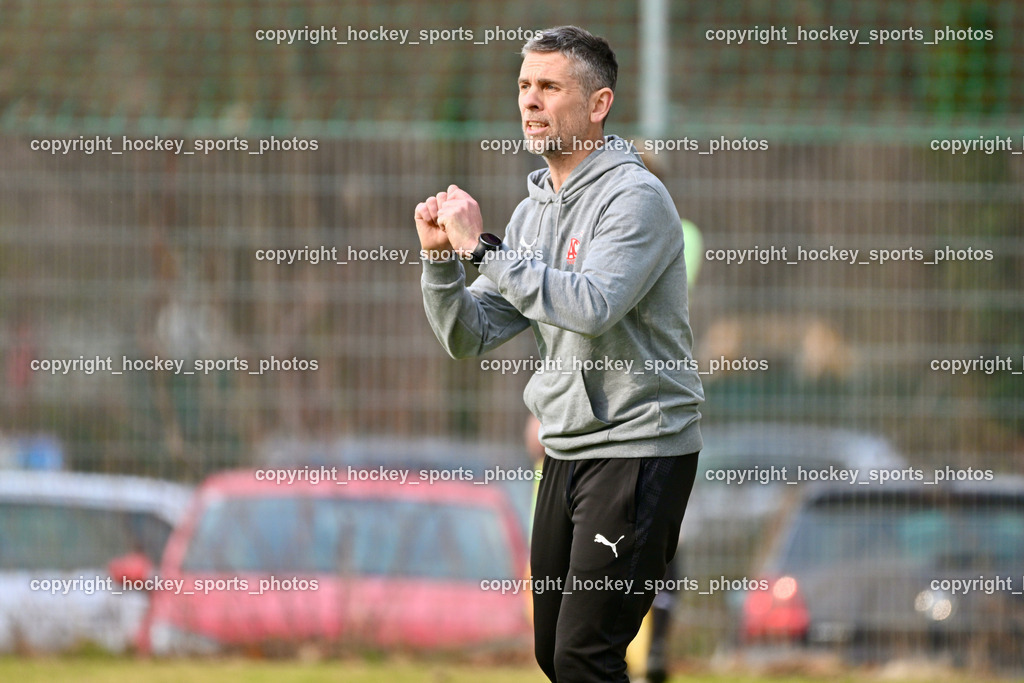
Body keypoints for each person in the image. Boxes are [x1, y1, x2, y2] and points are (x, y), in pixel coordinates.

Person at [415, 25, 704, 683]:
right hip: (565, 450)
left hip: (639, 449)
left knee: (584, 656)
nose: (530, 101)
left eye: (549, 86)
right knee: (557, 655)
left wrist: (485, 250)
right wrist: (440, 262)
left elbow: (593, 303)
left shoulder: (636, 198)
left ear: (598, 104)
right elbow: (471, 333)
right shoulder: (532, 212)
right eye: (524, 86)